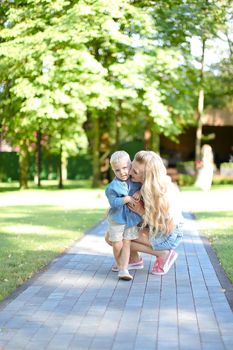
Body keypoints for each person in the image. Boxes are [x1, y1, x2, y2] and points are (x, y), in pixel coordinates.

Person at [106, 150, 184, 275]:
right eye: (131, 166)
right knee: (113, 235)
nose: (129, 172)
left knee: (119, 238)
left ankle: (163, 254)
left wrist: (140, 211)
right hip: (157, 229)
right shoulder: (139, 186)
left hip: (169, 234)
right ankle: (134, 259)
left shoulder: (161, 194)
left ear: (146, 177)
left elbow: (165, 227)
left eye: (134, 172)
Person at [105, 150, 142, 281]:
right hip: (117, 219)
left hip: (131, 219)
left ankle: (123, 269)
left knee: (127, 243)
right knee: (117, 244)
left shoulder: (136, 182)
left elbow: (145, 186)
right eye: (117, 170)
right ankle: (119, 262)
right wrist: (125, 199)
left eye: (125, 168)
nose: (122, 172)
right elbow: (113, 203)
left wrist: (139, 191)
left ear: (130, 165)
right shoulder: (112, 187)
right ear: (113, 171)